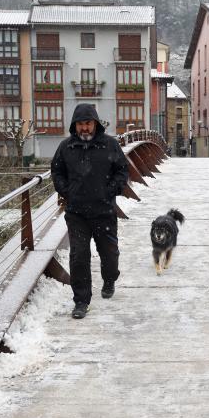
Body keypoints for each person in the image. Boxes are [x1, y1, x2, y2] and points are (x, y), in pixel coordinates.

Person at [51, 103, 129, 319]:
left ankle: (110, 278)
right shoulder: (66, 148)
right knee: (79, 257)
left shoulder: (110, 145)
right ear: (74, 126)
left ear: (95, 124)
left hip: (103, 211)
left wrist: (110, 190)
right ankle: (81, 301)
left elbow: (122, 171)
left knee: (109, 255)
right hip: (77, 213)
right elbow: (56, 172)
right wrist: (67, 191)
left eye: (88, 123)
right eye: (80, 124)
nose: (84, 128)